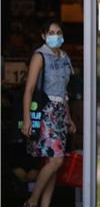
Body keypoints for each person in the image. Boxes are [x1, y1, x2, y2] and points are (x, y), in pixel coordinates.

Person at [21, 19, 76, 207]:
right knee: (56, 161)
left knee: (51, 163)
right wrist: (27, 118)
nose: (55, 36)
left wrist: (69, 118)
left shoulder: (65, 57)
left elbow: (64, 92)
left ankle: (44, 205)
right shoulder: (39, 56)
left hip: (60, 112)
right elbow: (29, 89)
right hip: (46, 112)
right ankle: (33, 201)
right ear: (44, 36)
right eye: (51, 33)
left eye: (58, 32)